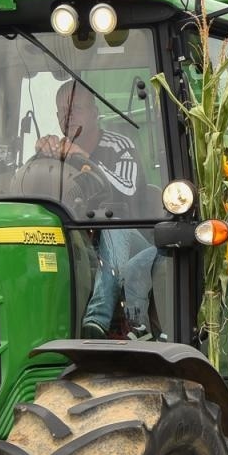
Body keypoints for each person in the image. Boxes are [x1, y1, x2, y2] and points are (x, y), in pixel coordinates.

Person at [37, 80, 144, 338]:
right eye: (63, 111)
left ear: (95, 113)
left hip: (134, 238)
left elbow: (128, 188)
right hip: (82, 240)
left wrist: (83, 157)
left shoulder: (119, 145)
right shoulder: (57, 153)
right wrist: (42, 158)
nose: (68, 116)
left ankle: (96, 321)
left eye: (76, 109)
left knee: (113, 223)